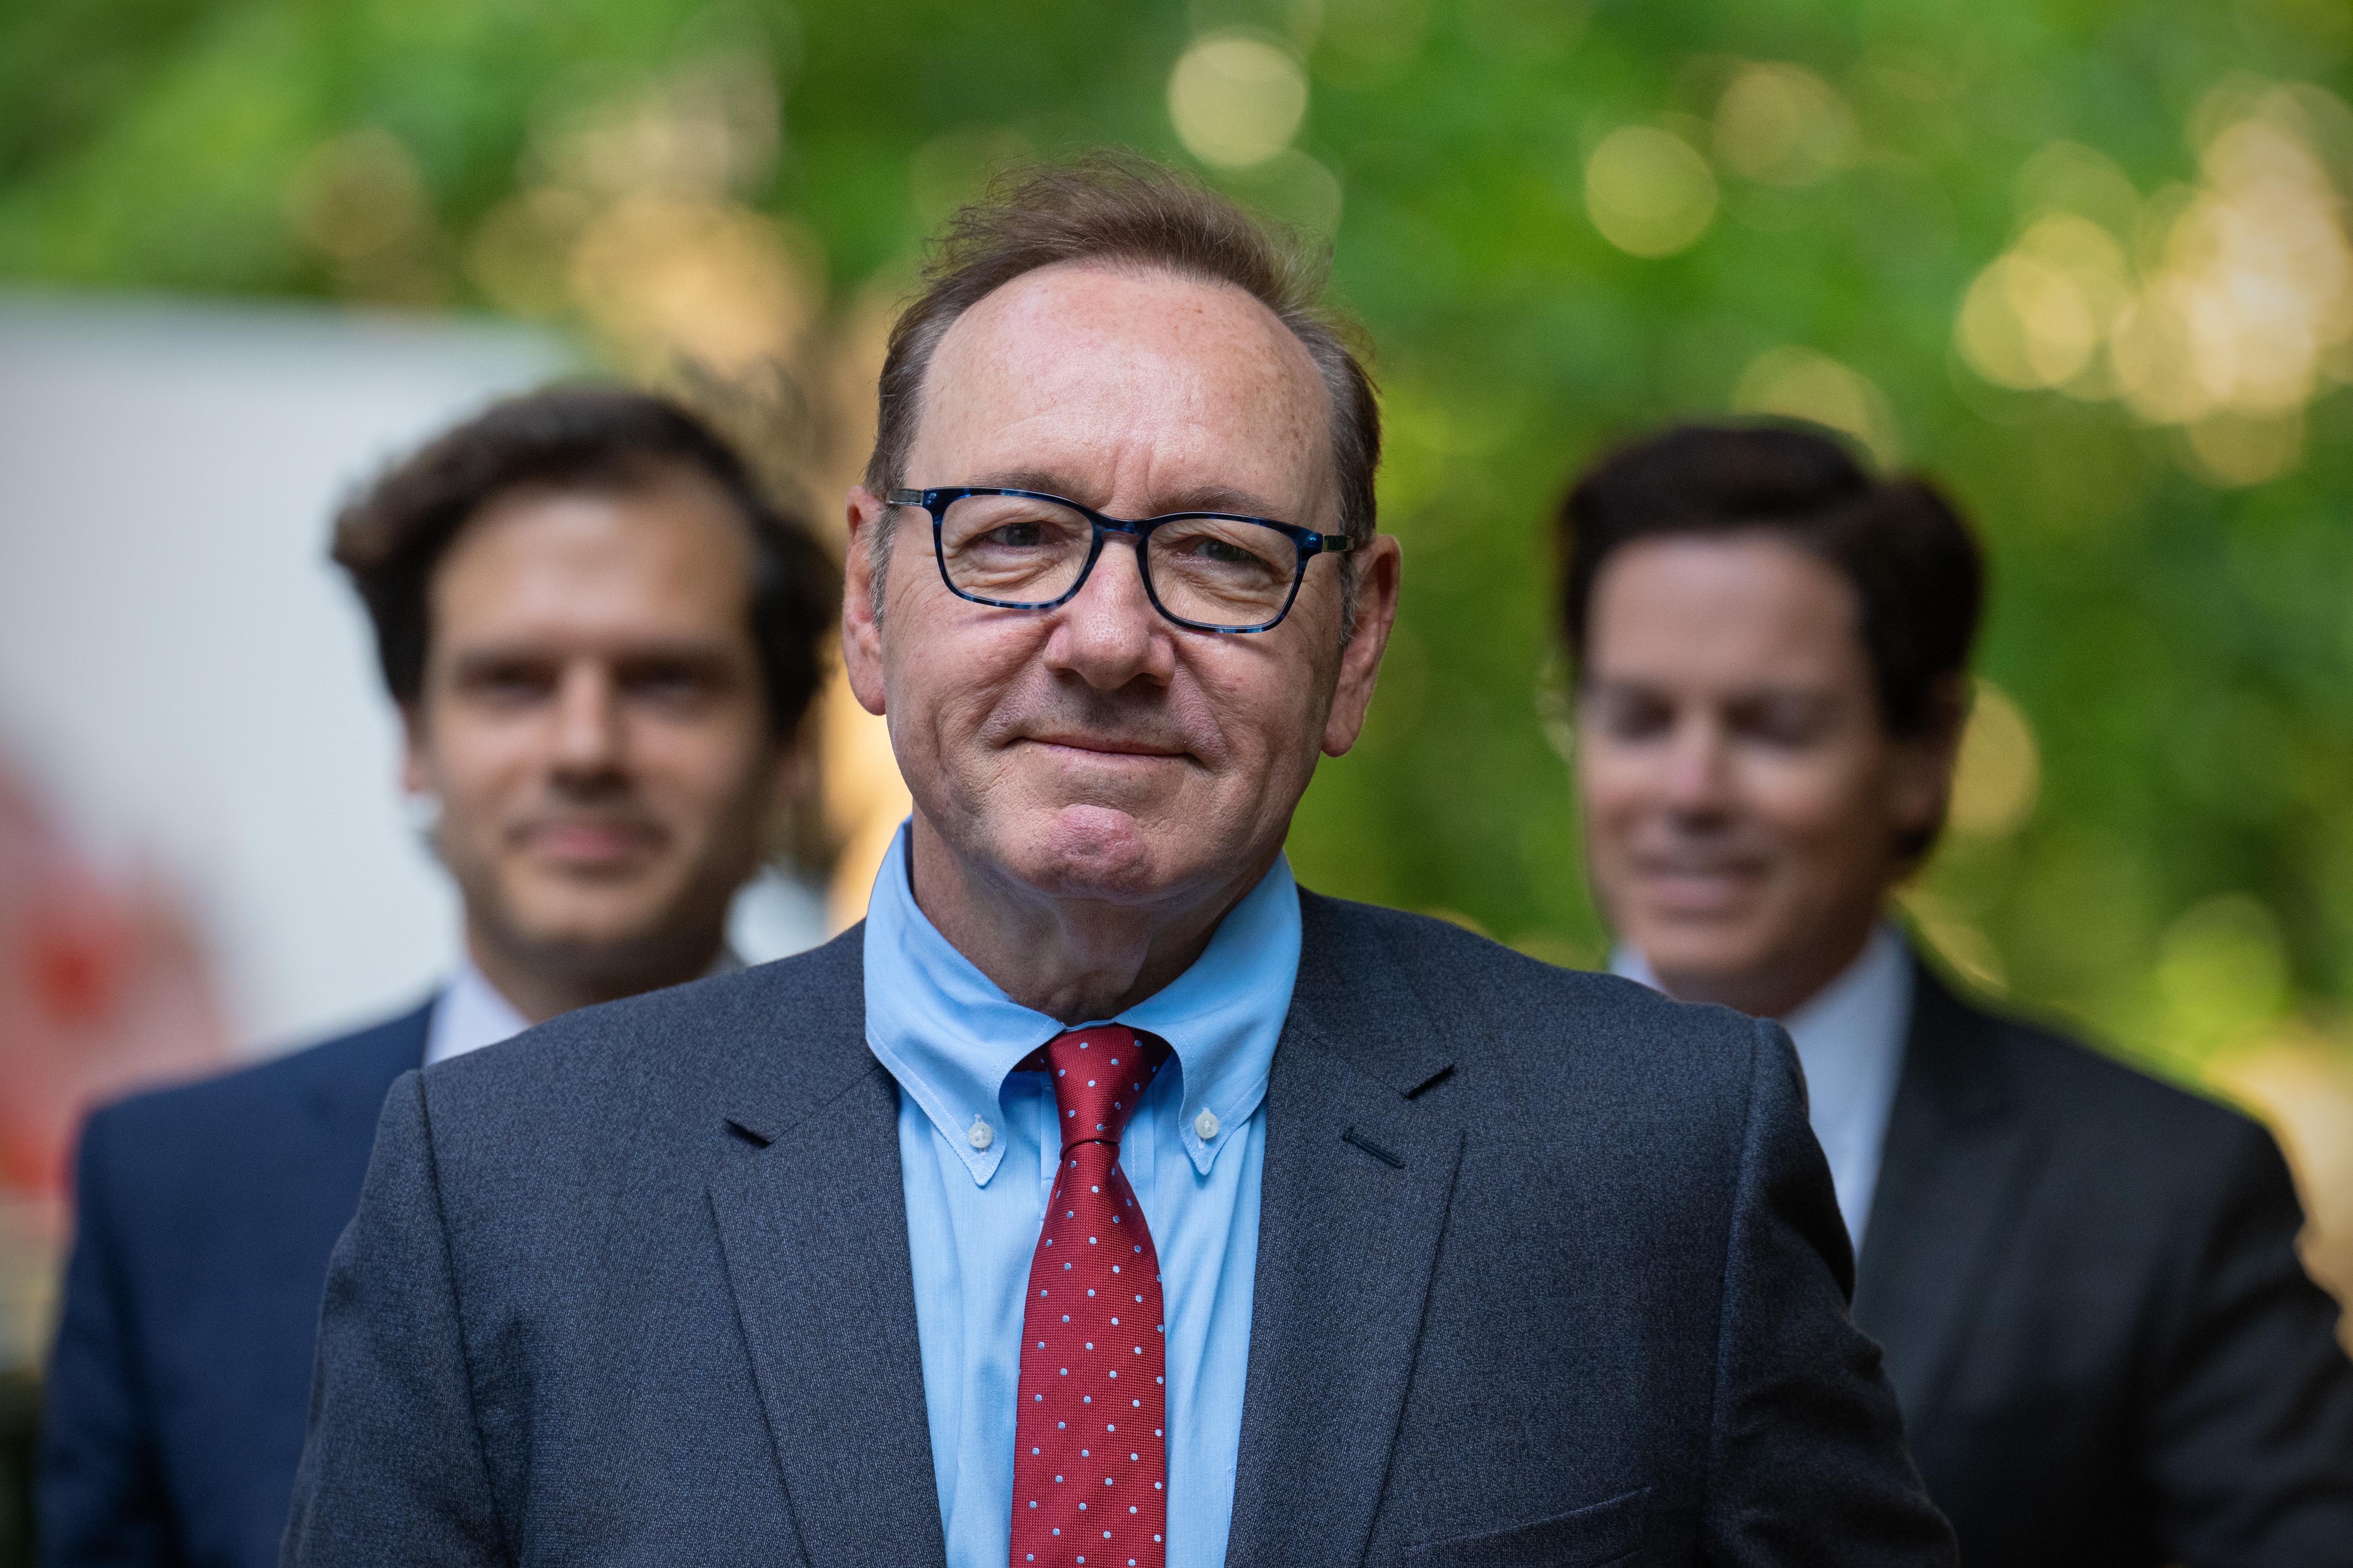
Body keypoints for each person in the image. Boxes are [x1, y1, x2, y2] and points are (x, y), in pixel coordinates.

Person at [281, 157, 1953, 1568]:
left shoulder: (1655, 1154)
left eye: (1220, 556)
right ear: (871, 597)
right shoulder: (502, 1185)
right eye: (1014, 535)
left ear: (1352, 640)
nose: (1105, 637)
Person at [38, 386, 840, 1568]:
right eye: (511, 681)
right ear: (414, 737)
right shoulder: (172, 1193)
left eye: (666, 680)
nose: (584, 747)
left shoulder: (936, 1148)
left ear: (793, 749)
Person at [1561, 420, 2353, 1568]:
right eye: (1639, 719)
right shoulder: (1402, 1137)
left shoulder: (2167, 1198)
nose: (1690, 788)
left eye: (1773, 727)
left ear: (1923, 754)